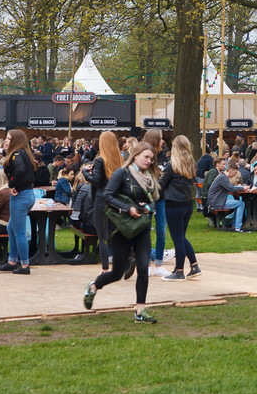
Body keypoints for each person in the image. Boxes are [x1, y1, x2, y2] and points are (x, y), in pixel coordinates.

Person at [83, 142, 161, 323]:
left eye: (151, 158)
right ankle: (93, 287)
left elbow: (156, 199)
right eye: (146, 157)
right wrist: (128, 208)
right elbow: (107, 196)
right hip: (121, 229)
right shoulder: (122, 174)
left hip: (141, 229)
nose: (149, 161)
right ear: (135, 155)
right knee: (117, 273)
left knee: (143, 269)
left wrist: (149, 207)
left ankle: (140, 311)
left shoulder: (150, 177)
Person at [159, 135, 201, 280]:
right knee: (181, 237)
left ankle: (179, 271)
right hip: (187, 204)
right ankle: (194, 265)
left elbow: (161, 184)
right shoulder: (192, 164)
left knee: (177, 239)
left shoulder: (172, 166)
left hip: (174, 204)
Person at [0, 129, 37, 275]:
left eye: (8, 138)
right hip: (27, 195)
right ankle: (12, 261)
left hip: (20, 196)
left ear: (15, 140)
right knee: (11, 228)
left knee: (18, 231)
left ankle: (24, 265)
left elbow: (20, 170)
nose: (5, 140)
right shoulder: (24, 153)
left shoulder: (17, 154)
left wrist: (12, 184)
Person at [84, 131, 123, 272]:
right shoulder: (120, 160)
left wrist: (85, 173)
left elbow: (96, 181)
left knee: (103, 236)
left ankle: (105, 269)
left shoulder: (100, 160)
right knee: (115, 234)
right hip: (116, 200)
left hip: (102, 199)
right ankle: (126, 261)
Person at [143, 129, 170, 277]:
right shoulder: (146, 154)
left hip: (159, 196)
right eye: (160, 138)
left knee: (161, 229)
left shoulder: (160, 154)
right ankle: (147, 263)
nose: (162, 141)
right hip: (148, 197)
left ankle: (157, 264)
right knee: (146, 230)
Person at [207, 162, 250, 232]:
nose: (235, 174)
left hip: (216, 201)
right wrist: (243, 188)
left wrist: (240, 187)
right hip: (217, 202)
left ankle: (234, 225)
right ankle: (237, 227)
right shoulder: (223, 178)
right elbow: (232, 189)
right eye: (235, 172)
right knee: (241, 204)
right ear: (230, 171)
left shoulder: (222, 176)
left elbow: (230, 187)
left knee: (239, 203)